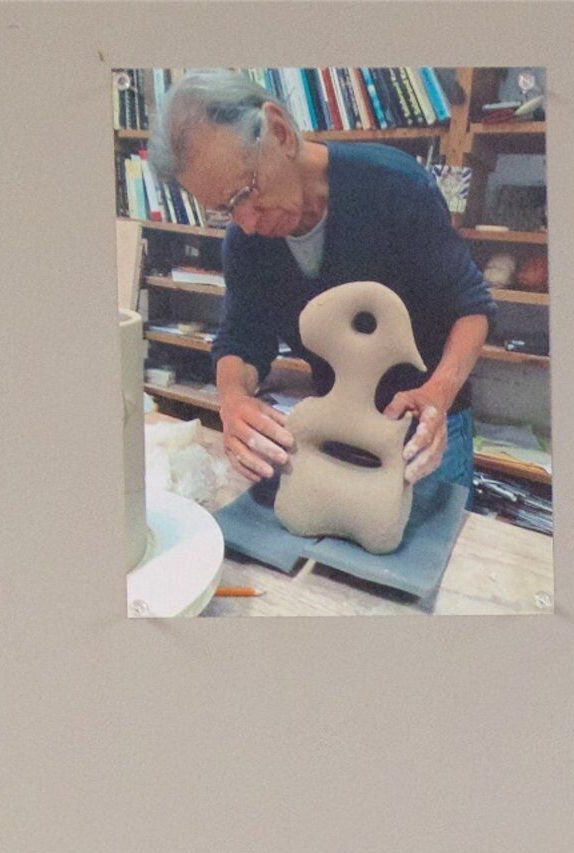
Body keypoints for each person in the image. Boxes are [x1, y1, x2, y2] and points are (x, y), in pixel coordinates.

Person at [155, 72, 489, 532]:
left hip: (428, 428)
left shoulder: (393, 186)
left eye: (244, 194)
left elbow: (471, 307)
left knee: (426, 566)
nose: (246, 223)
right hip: (336, 426)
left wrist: (439, 394)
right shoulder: (247, 242)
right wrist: (232, 401)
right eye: (225, 210)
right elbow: (241, 339)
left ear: (280, 132)